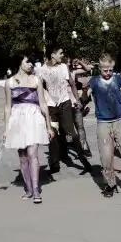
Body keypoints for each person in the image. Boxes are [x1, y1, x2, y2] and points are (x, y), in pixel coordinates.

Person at [81, 53, 121, 198]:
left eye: (110, 70)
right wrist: (85, 91)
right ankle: (110, 184)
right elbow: (84, 99)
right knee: (106, 156)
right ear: (99, 69)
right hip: (103, 122)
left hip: (119, 121)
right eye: (105, 70)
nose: (108, 73)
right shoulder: (95, 81)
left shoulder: (117, 78)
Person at [3, 53, 54, 204]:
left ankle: (36, 190)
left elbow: (43, 103)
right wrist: (6, 128)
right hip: (17, 119)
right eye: (28, 61)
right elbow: (7, 107)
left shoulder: (36, 80)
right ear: (19, 63)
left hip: (34, 118)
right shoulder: (9, 82)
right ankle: (28, 188)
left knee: (33, 154)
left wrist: (49, 126)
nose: (31, 64)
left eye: (32, 62)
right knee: (23, 157)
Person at [35, 45, 91, 174]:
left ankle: (84, 162)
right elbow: (39, 88)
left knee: (72, 133)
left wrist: (77, 100)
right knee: (53, 134)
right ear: (52, 54)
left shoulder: (63, 67)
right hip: (51, 106)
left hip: (65, 103)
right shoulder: (42, 70)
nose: (62, 55)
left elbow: (72, 84)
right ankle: (54, 164)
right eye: (60, 53)